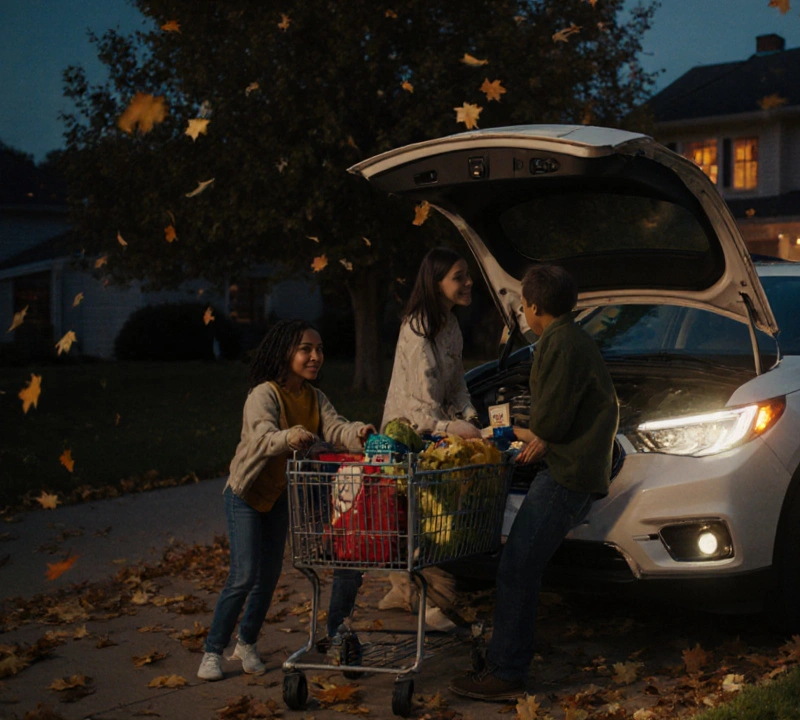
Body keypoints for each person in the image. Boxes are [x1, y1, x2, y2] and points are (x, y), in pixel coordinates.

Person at [449, 263, 619, 701]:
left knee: (517, 566)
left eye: (523, 304)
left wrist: (519, 431)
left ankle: (506, 671)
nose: (522, 311)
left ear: (535, 306)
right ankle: (509, 656)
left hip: (568, 472)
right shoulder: (573, 337)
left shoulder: (557, 345)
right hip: (574, 466)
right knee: (523, 565)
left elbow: (550, 420)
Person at [198, 320, 374, 682]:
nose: (315, 356)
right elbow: (262, 436)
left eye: (319, 349)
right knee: (244, 575)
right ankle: (212, 651)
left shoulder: (314, 397)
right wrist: (289, 435)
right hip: (246, 493)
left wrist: (358, 433)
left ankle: (246, 643)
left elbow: (335, 428)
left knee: (269, 576)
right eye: (306, 349)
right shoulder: (264, 394)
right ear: (285, 353)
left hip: (278, 495)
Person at [327, 248, 480, 636]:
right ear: (437, 283)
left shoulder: (450, 325)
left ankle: (402, 592)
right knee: (424, 519)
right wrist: (451, 429)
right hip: (407, 436)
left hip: (434, 431)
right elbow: (419, 403)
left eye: (467, 276)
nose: (468, 283)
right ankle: (429, 602)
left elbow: (457, 382)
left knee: (412, 516)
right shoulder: (417, 329)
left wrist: (473, 418)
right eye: (459, 277)